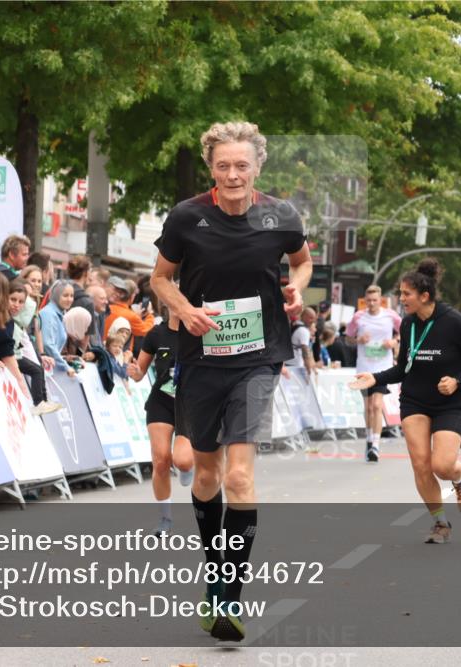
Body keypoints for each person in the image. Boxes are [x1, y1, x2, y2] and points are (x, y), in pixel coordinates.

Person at [150, 120, 312, 642]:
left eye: (242, 165)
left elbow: (302, 262)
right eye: (223, 165)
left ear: (257, 166)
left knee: (240, 478)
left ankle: (227, 598)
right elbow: (159, 278)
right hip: (200, 359)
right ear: (211, 168)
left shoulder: (281, 215)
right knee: (205, 475)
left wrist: (297, 289)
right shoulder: (187, 217)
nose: (233, 174)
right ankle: (213, 569)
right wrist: (184, 309)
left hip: (259, 358)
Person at [350, 259, 461, 544]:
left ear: (424, 296)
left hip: (450, 402)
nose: (401, 300)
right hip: (414, 400)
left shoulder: (455, 322)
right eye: (400, 294)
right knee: (421, 464)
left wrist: (458, 380)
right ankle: (440, 523)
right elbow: (403, 368)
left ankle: (460, 477)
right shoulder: (410, 324)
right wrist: (374, 378)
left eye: (406, 294)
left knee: (442, 464)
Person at [127, 307, 194, 537]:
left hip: (189, 404)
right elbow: (139, 373)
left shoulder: (198, 331)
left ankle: (187, 465)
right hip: (161, 401)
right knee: (161, 460)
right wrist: (134, 371)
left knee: (182, 461)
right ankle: (165, 519)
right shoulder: (156, 334)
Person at [346, 285, 402, 462]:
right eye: (368, 300)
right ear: (364, 301)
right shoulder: (358, 317)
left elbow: (405, 331)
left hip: (382, 368)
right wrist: (358, 340)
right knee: (368, 407)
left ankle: (375, 445)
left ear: (380, 300)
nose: (371, 303)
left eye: (374, 300)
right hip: (363, 367)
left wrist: (394, 341)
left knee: (377, 405)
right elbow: (347, 337)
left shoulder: (390, 315)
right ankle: (369, 440)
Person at [8, 279, 60, 415]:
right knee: (35, 370)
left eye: (21, 301)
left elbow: (37, 330)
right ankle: (39, 402)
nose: (17, 305)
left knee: (37, 369)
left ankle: (42, 401)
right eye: (13, 300)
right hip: (7, 356)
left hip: (12, 353)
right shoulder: (10, 319)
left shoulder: (19, 320)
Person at [38, 279, 76, 377]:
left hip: (49, 368)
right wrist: (65, 366)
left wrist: (65, 359)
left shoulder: (59, 314)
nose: (69, 299)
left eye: (71, 296)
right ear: (56, 296)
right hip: (43, 368)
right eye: (65, 295)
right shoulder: (49, 313)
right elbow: (48, 345)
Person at [103, 275, 154, 349]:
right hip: (117, 351)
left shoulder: (107, 308)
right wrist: (150, 315)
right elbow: (145, 330)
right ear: (132, 296)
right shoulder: (131, 316)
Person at [286, 307, 316, 375]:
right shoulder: (304, 331)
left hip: (289, 363)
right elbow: (305, 351)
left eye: (314, 318)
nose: (313, 321)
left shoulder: (295, 325)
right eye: (310, 318)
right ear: (304, 316)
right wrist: (309, 369)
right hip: (295, 367)